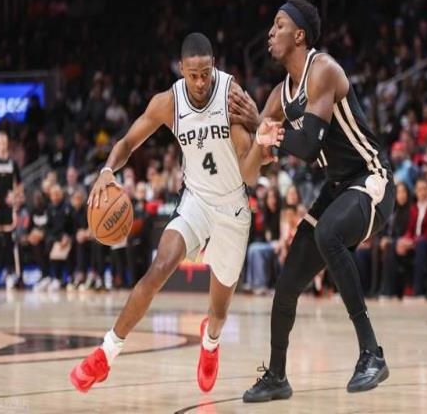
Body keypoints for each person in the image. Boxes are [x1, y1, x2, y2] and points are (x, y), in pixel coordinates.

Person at [69, 32, 282, 394]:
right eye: (193, 75)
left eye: (206, 74)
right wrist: (106, 170)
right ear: (181, 69)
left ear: (213, 67)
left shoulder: (230, 96)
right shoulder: (168, 102)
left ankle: (210, 342)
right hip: (195, 200)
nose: (200, 83)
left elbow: (252, 172)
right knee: (159, 268)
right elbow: (127, 142)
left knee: (218, 313)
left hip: (233, 207)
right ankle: (106, 353)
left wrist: (260, 143)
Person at [229, 0, 395, 401]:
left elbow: (306, 145)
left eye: (279, 24)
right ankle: (277, 376)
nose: (271, 32)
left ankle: (372, 354)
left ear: (300, 35)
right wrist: (243, 131)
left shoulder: (323, 70)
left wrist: (264, 127)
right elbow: (251, 173)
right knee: (287, 283)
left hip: (372, 178)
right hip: (338, 188)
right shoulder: (277, 96)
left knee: (327, 234)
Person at [0, 131, 22, 289]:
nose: (3, 145)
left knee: (9, 243)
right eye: (0, 142)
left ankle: (12, 274)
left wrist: (15, 197)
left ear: (7, 144)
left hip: (9, 209)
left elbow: (20, 186)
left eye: (5, 142)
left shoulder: (13, 163)